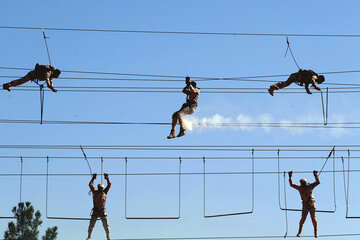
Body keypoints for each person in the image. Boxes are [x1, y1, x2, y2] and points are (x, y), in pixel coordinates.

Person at [288, 170, 320, 238]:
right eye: (301, 183)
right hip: (305, 204)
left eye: (303, 183)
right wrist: (290, 177)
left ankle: (315, 232)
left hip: (311, 203)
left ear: (305, 182)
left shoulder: (310, 186)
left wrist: (316, 175)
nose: (302, 184)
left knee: (313, 218)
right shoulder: (300, 188)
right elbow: (291, 184)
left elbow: (318, 182)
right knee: (303, 219)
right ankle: (299, 232)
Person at [87, 173, 112, 240]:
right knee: (91, 224)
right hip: (95, 210)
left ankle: (108, 235)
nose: (100, 189)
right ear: (98, 188)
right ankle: (89, 236)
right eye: (99, 188)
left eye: (101, 188)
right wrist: (93, 178)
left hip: (102, 210)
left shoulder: (105, 192)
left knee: (106, 224)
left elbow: (109, 185)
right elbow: (90, 185)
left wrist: (107, 178)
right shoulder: (95, 192)